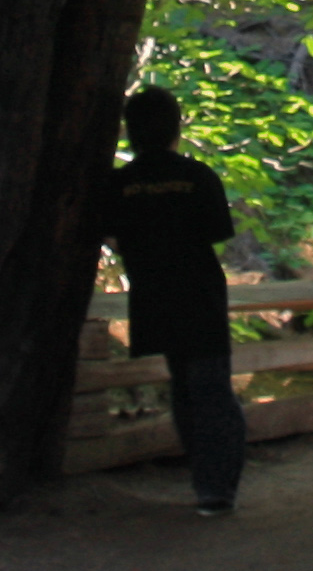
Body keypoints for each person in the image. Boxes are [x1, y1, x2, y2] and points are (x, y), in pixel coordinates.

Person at [91, 85, 246, 515]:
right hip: (199, 294)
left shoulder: (120, 184)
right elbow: (217, 232)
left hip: (153, 294)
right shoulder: (198, 177)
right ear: (177, 128)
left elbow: (110, 233)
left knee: (183, 385)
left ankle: (205, 482)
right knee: (212, 388)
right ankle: (216, 489)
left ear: (129, 132)